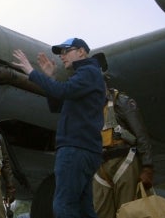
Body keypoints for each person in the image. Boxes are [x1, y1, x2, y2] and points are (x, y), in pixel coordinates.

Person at [12, 38, 105, 218]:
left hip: (75, 148)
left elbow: (62, 91)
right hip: (85, 149)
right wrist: (50, 78)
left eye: (66, 51)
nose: (62, 56)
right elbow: (57, 106)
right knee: (84, 209)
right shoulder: (87, 75)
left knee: (63, 205)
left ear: (81, 51)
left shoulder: (88, 72)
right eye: (60, 53)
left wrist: (31, 72)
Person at [92, 54, 154, 218]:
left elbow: (141, 135)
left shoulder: (122, 102)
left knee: (129, 212)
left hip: (124, 161)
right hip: (99, 166)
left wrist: (147, 167)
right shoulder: (86, 108)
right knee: (99, 213)